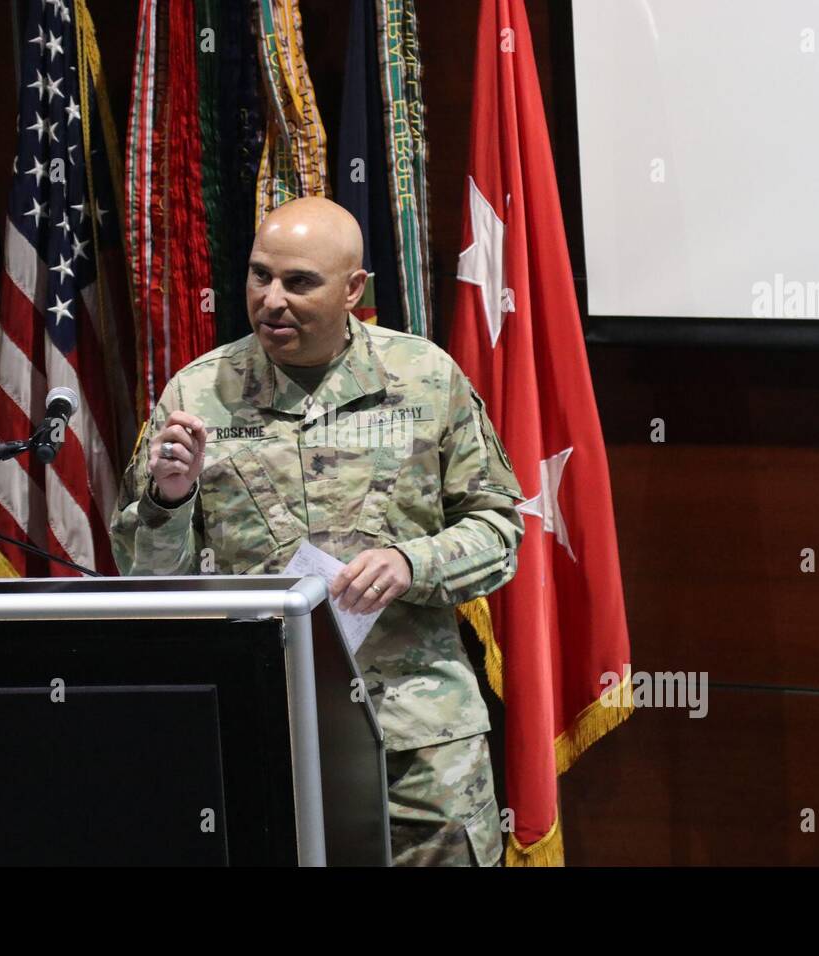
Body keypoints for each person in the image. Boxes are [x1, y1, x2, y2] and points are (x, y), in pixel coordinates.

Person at [110, 196, 523, 866]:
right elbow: (149, 583)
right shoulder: (198, 394)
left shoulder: (424, 378)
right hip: (267, 727)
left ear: (353, 289)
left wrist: (412, 562)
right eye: (259, 276)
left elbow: (499, 530)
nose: (272, 301)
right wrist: (169, 499)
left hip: (419, 736)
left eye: (299, 282)